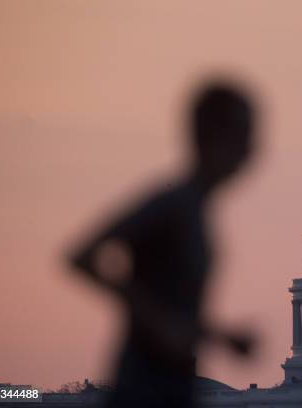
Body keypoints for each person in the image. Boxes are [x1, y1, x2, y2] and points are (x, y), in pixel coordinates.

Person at [68, 82, 256, 407]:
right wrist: (157, 322)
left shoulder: (197, 208)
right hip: (144, 387)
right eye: (243, 139)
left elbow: (176, 309)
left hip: (175, 385)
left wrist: (219, 337)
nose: (250, 151)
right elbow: (82, 256)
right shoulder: (172, 203)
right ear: (212, 138)